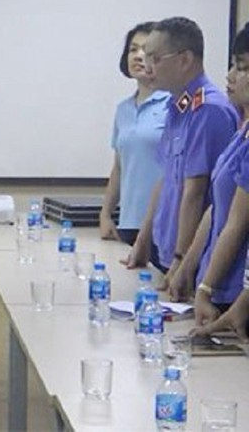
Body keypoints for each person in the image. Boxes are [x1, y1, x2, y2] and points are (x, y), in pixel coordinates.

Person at [123, 17, 239, 281]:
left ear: (184, 60)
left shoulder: (208, 110)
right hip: (166, 250)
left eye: (155, 58)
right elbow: (165, 178)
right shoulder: (178, 106)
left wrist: (181, 259)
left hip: (192, 261)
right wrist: (143, 240)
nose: (146, 66)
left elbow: (195, 192)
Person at [167, 24, 249, 323]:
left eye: (242, 67)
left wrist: (205, 288)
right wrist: (188, 266)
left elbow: (237, 223)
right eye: (233, 65)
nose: (230, 75)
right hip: (215, 284)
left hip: (232, 291)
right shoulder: (242, 132)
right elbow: (217, 208)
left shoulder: (210, 108)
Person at [100, 22, 169, 245]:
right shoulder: (123, 109)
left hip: (163, 223)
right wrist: (106, 213)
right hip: (128, 221)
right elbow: (119, 167)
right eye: (133, 49)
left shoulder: (174, 105)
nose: (138, 56)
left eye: (146, 50)